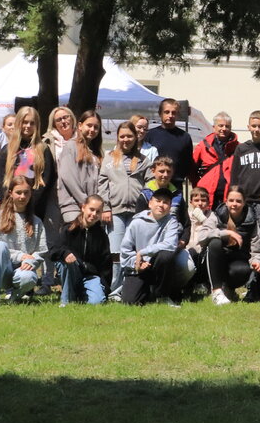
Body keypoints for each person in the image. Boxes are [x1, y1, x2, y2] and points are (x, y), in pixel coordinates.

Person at [99, 120, 150, 297]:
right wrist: (106, 207)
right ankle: (114, 290)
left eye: (129, 136)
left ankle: (128, 289)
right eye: (122, 136)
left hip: (137, 213)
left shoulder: (143, 160)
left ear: (135, 137)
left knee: (131, 251)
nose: (125, 139)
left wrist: (146, 207)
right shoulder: (109, 158)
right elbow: (102, 184)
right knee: (116, 251)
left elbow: (150, 184)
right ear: (117, 137)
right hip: (116, 211)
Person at [0, 175, 47, 307]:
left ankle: (15, 296)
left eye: (26, 193)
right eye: (18, 192)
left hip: (22, 271)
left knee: (30, 278)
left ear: (31, 194)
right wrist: (19, 256)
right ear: (11, 193)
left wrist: (31, 261)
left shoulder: (36, 222)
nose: (22, 196)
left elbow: (42, 250)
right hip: (1, 271)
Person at [119, 187, 188, 306]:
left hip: (158, 265)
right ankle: (149, 291)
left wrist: (143, 252)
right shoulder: (136, 222)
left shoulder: (172, 222)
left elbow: (170, 245)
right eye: (158, 201)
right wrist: (137, 263)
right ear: (150, 203)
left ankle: (162, 295)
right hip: (139, 267)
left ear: (170, 207)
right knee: (130, 302)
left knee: (166, 255)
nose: (161, 205)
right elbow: (125, 250)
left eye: (165, 202)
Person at [196, 186, 258, 305]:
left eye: (238, 201)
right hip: (214, 260)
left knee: (243, 270)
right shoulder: (216, 215)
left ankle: (228, 289)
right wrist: (226, 233)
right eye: (231, 200)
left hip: (237, 260)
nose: (234, 204)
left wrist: (257, 260)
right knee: (215, 242)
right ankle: (216, 291)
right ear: (226, 201)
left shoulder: (251, 220)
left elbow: (256, 246)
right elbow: (201, 236)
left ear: (244, 203)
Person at [0, 106, 56, 225]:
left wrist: (30, 201)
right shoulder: (7, 150)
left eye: (32, 123)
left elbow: (47, 179)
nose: (28, 126)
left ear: (37, 125)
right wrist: (9, 201)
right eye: (25, 122)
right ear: (18, 123)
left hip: (35, 206)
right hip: (10, 206)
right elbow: (1, 180)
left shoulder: (43, 149)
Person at [50, 194, 112, 305]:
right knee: (66, 262)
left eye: (98, 211)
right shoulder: (69, 229)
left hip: (90, 276)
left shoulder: (101, 235)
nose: (94, 214)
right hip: (72, 272)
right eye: (91, 209)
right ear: (83, 207)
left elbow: (106, 263)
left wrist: (104, 287)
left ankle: (80, 293)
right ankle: (67, 302)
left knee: (96, 302)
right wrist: (65, 253)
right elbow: (54, 250)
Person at [230, 110, 260, 227]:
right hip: (244, 201)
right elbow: (234, 176)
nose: (256, 129)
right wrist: (234, 196)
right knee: (244, 232)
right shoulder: (241, 149)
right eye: (254, 126)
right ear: (248, 127)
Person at [56, 109, 104, 225]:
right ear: (80, 125)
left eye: (96, 127)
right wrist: (84, 201)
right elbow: (68, 177)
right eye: (89, 125)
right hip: (74, 206)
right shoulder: (71, 146)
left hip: (91, 209)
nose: (92, 129)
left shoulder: (95, 152)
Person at [148, 98, 194, 188]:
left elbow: (188, 163)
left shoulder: (185, 137)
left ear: (177, 115)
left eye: (173, 113)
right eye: (167, 112)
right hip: (154, 185)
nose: (170, 115)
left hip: (176, 186)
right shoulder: (150, 135)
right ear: (160, 113)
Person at [194, 110, 238, 204]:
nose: (224, 129)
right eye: (221, 125)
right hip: (206, 195)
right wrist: (198, 185)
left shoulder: (238, 148)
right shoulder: (203, 146)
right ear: (214, 127)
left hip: (229, 196)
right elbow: (192, 169)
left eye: (227, 126)